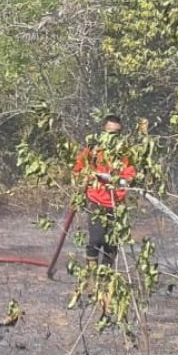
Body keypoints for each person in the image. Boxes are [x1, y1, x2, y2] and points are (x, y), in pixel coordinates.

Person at [72, 115, 136, 270]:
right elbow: (77, 170)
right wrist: (89, 177)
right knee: (96, 239)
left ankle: (106, 277)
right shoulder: (93, 151)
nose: (113, 137)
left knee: (112, 243)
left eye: (117, 133)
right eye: (110, 132)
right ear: (103, 131)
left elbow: (130, 175)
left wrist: (120, 180)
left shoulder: (125, 154)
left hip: (116, 204)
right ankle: (92, 273)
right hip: (96, 202)